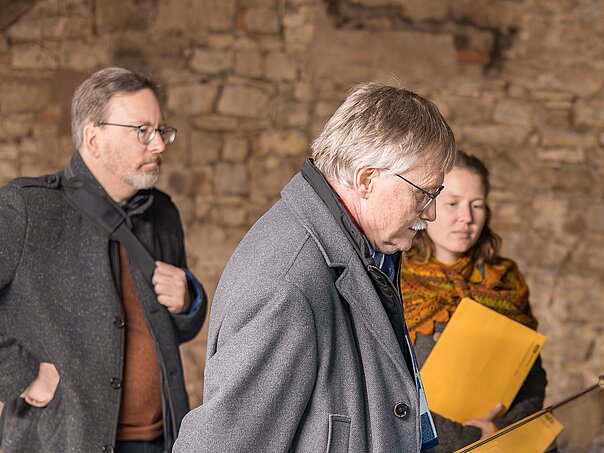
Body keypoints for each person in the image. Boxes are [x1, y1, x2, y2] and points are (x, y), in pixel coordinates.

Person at [173, 82, 457, 452]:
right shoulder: (287, 282)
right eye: (424, 193)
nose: (431, 212)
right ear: (366, 180)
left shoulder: (362, 247)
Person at [0, 67, 207, 452]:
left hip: (162, 440)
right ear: (93, 138)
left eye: (161, 131)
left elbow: (177, 329)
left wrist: (189, 300)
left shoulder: (162, 213)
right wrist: (21, 373)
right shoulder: (28, 208)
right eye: (142, 131)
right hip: (60, 443)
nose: (159, 144)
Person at [401, 151, 546, 451]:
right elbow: (385, 387)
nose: (466, 218)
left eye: (477, 205)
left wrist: (496, 431)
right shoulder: (395, 280)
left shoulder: (505, 281)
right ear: (427, 205)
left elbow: (532, 379)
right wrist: (462, 437)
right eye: (452, 203)